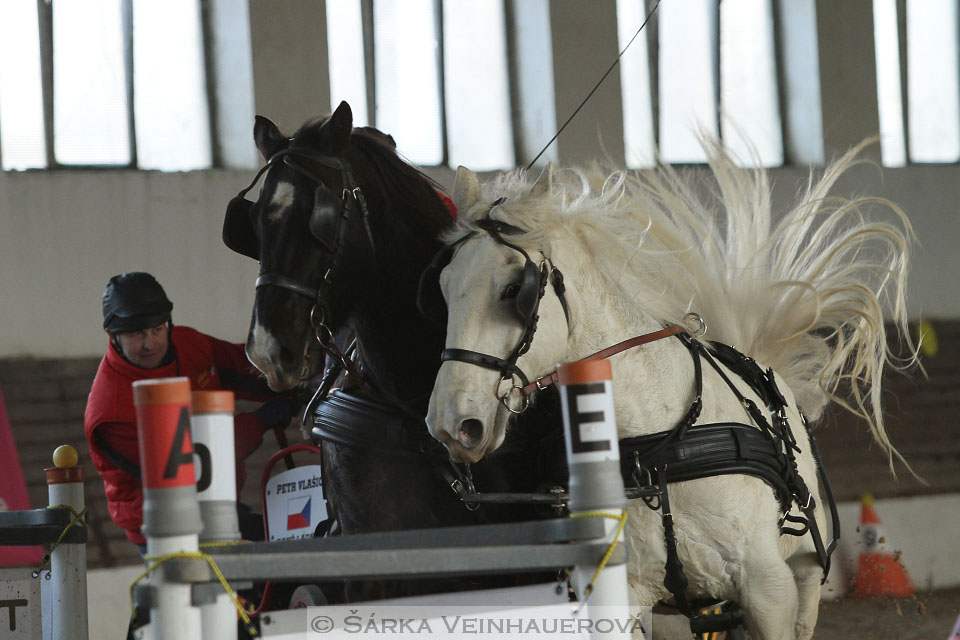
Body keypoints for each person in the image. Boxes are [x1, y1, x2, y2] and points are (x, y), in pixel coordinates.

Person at [84, 272, 297, 551]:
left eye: (157, 330)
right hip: (164, 528)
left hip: (219, 505)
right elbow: (190, 462)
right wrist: (260, 420)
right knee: (191, 592)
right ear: (113, 336)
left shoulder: (188, 345)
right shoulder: (110, 411)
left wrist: (294, 376)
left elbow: (242, 367)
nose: (150, 344)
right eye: (137, 334)